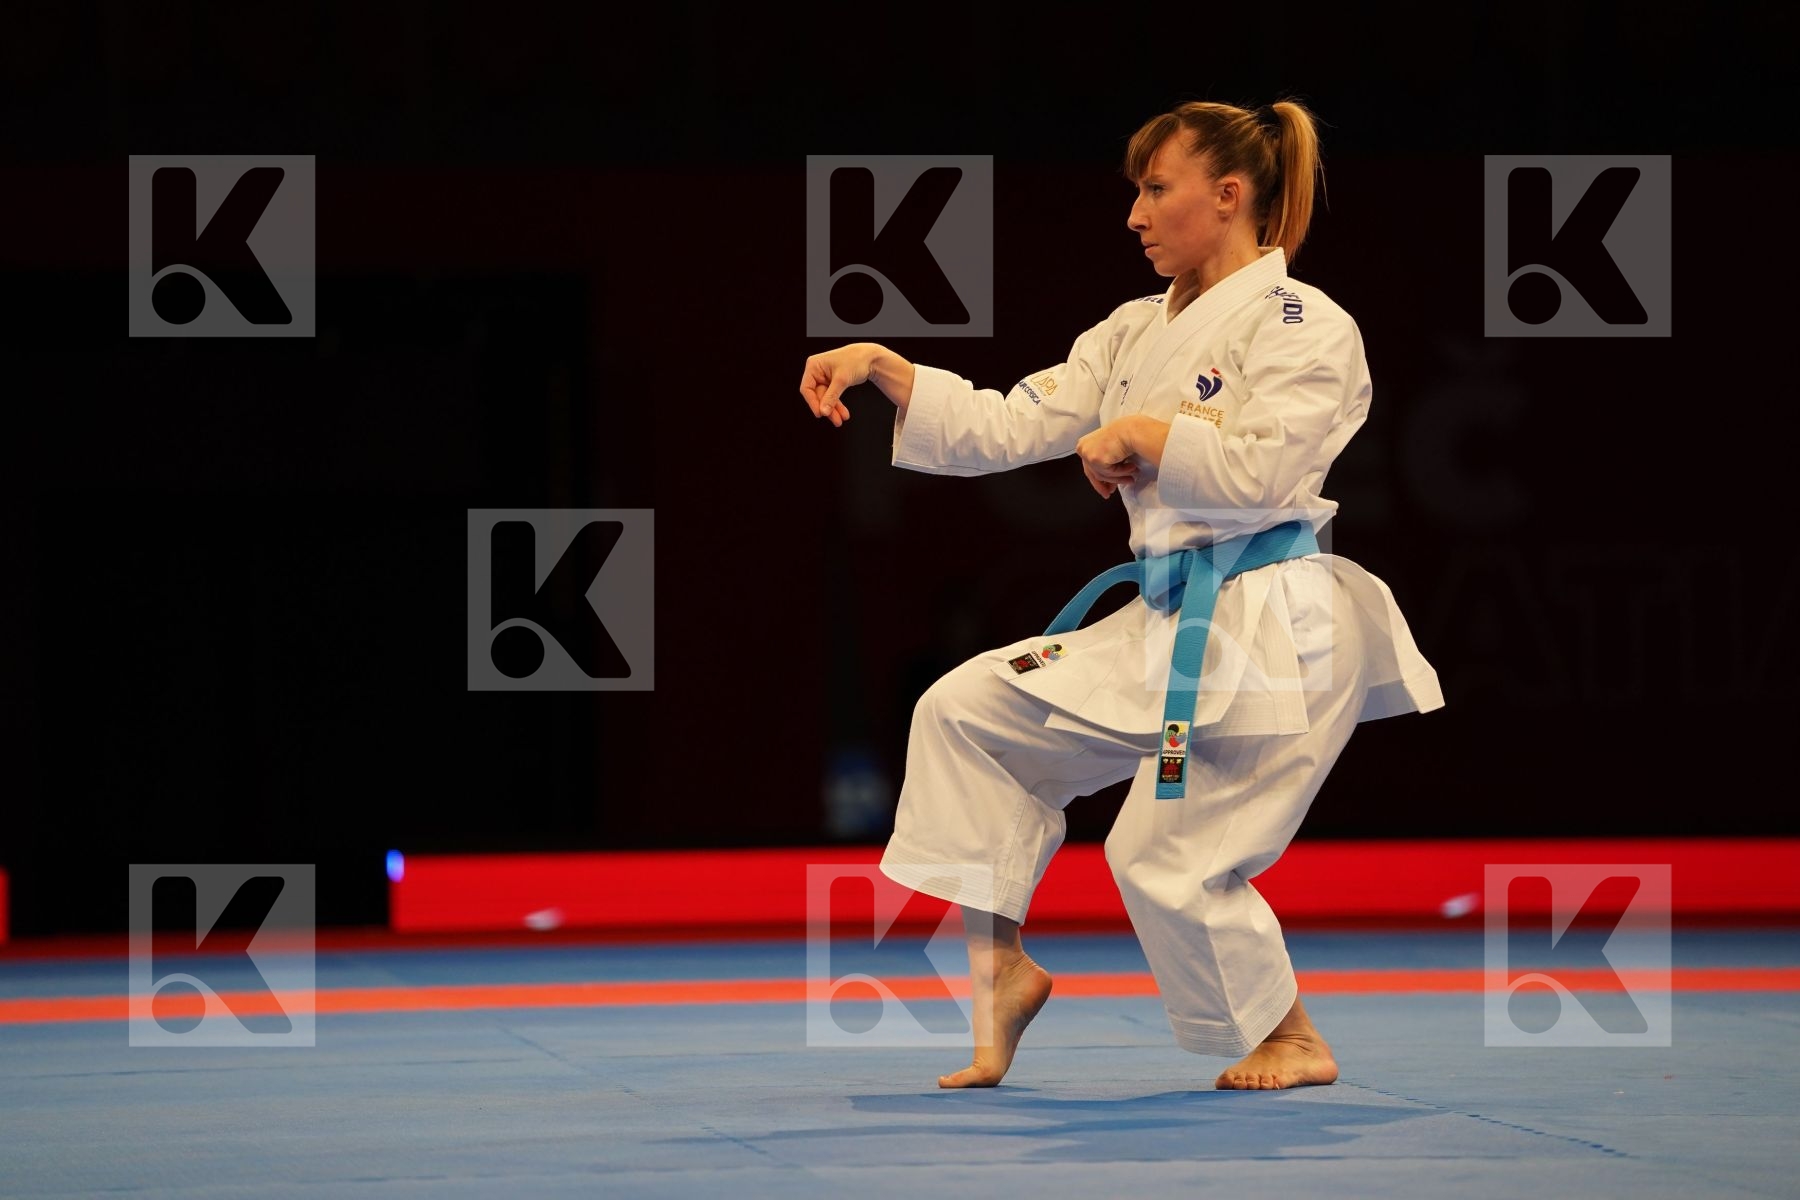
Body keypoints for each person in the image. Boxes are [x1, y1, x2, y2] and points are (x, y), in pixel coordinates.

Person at [797, 99, 1443, 1091]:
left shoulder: (1306, 326)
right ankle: (1002, 968)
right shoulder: (1135, 330)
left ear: (1227, 197)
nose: (1135, 216)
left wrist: (1148, 438)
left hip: (1273, 629)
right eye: (1134, 193)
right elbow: (1007, 425)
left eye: (1155, 190)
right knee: (967, 712)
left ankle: (1294, 1037)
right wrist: (889, 369)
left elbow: (1266, 477)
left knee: (1162, 856)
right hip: (1169, 620)